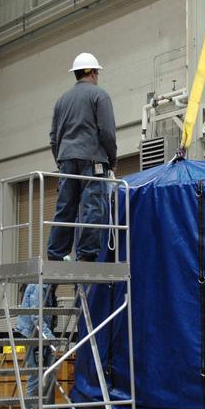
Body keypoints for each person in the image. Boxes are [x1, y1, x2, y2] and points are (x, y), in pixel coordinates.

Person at [47, 51, 117, 265]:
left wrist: (61, 160)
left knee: (65, 208)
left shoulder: (61, 101)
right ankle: (87, 254)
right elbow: (107, 132)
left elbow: (53, 138)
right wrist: (112, 159)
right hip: (92, 160)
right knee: (92, 206)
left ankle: (56, 255)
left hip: (66, 160)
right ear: (94, 73)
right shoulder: (99, 95)